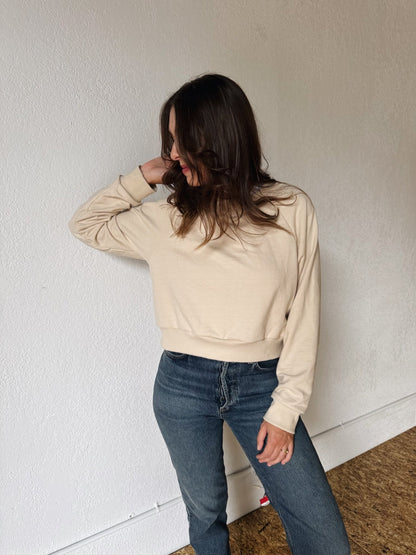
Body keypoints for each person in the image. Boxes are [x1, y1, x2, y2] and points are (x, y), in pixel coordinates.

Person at [68, 73, 350, 555]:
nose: (174, 153)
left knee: (325, 539)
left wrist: (286, 410)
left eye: (183, 141)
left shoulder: (290, 209)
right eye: (171, 141)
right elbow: (85, 224)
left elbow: (305, 316)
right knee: (204, 513)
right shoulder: (166, 218)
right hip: (181, 384)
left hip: (261, 384)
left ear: (219, 138)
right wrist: (145, 175)